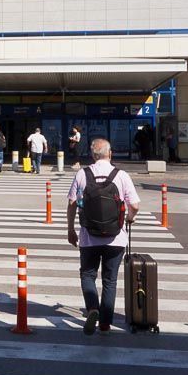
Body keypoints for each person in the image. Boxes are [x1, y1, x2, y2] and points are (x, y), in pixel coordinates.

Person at [66, 137, 141, 335]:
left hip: (89, 237)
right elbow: (134, 205)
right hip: (115, 238)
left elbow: (72, 204)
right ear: (110, 154)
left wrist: (70, 229)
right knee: (110, 280)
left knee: (88, 274)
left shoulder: (83, 174)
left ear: (92, 155)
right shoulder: (121, 175)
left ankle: (92, 308)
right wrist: (130, 219)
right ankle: (106, 323)